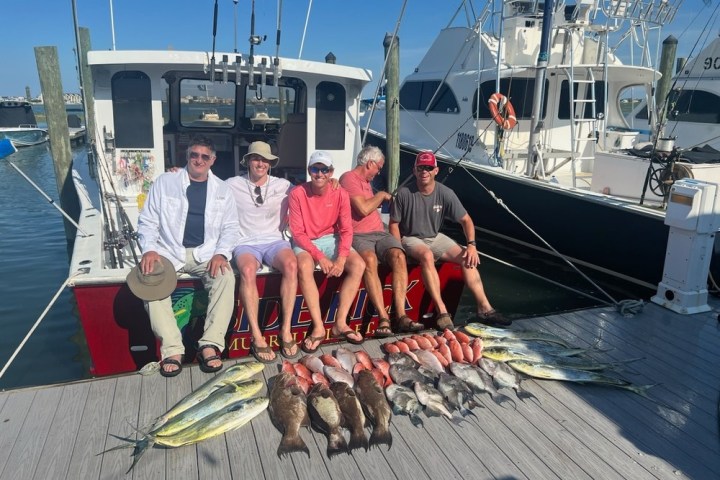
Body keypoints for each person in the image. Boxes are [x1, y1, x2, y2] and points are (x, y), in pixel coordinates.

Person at [130, 135, 240, 377]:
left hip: (206, 253)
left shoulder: (223, 189)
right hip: (169, 251)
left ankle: (210, 345)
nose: (198, 160)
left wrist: (222, 253)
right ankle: (172, 349)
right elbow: (148, 221)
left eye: (204, 156)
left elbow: (231, 228)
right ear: (187, 156)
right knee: (150, 281)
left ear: (213, 160)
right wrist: (149, 249)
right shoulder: (165, 182)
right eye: (194, 155)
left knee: (225, 277)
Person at [389, 151, 510, 329]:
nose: (424, 171)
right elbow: (393, 224)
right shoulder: (403, 193)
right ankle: (442, 311)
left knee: (467, 258)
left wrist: (471, 246)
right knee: (427, 255)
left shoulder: (446, 193)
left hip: (434, 236)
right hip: (410, 237)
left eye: (428, 168)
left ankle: (484, 308)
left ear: (436, 170)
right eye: (421, 168)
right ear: (414, 170)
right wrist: (398, 249)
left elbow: (466, 220)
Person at [226, 141, 299, 363]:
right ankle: (257, 336)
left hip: (274, 241)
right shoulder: (231, 184)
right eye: (256, 158)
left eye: (265, 160)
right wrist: (176, 174)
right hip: (245, 242)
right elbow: (205, 185)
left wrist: (333, 183)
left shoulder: (284, 185)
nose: (261, 163)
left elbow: (312, 192)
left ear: (270, 164)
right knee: (247, 270)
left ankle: (285, 330)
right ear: (248, 161)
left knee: (291, 265)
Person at [288, 150, 366, 353]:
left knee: (358, 264)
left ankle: (340, 322)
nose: (320, 174)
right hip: (306, 240)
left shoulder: (341, 193)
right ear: (309, 170)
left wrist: (340, 259)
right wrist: (319, 257)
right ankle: (318, 327)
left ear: (331, 172)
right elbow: (297, 232)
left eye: (325, 169)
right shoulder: (297, 193)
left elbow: (347, 229)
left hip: (332, 238)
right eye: (315, 168)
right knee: (304, 265)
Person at [339, 145, 422, 335]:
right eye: (379, 167)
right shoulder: (349, 178)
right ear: (370, 163)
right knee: (369, 259)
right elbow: (363, 209)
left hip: (379, 232)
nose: (378, 173)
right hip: (359, 235)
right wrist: (382, 195)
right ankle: (383, 318)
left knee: (399, 256)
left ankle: (401, 316)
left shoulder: (366, 182)